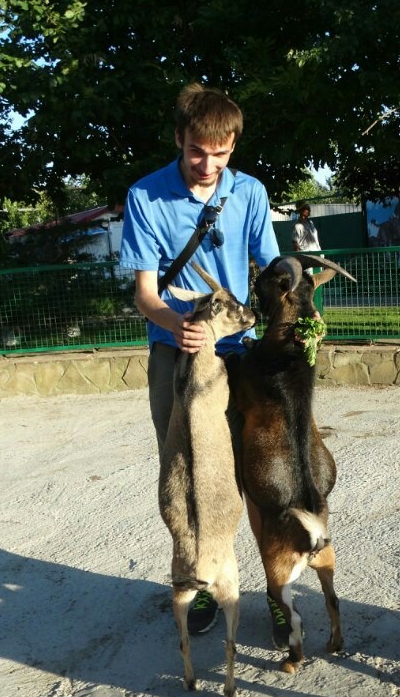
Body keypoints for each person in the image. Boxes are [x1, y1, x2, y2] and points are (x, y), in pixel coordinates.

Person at [118, 82, 280, 634]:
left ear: (232, 145)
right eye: (196, 151)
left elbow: (273, 271)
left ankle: (278, 592)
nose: (207, 164)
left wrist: (294, 304)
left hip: (238, 353)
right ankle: (200, 584)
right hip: (177, 356)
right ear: (179, 139)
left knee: (260, 477)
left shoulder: (250, 193)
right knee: (185, 477)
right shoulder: (146, 197)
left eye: (221, 152)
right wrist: (177, 324)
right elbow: (144, 294)